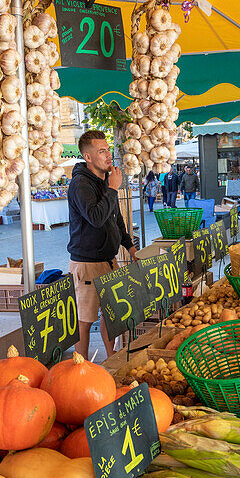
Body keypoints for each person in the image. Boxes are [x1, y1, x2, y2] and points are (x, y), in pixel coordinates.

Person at [67, 129, 137, 359]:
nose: (108, 155)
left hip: (109, 260)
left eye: (108, 149)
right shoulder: (80, 184)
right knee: (85, 319)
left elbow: (116, 218)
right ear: (88, 157)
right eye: (102, 151)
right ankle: (81, 367)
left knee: (110, 314)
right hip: (87, 263)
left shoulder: (105, 181)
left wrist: (129, 245)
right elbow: (96, 217)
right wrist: (113, 188)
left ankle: (112, 359)